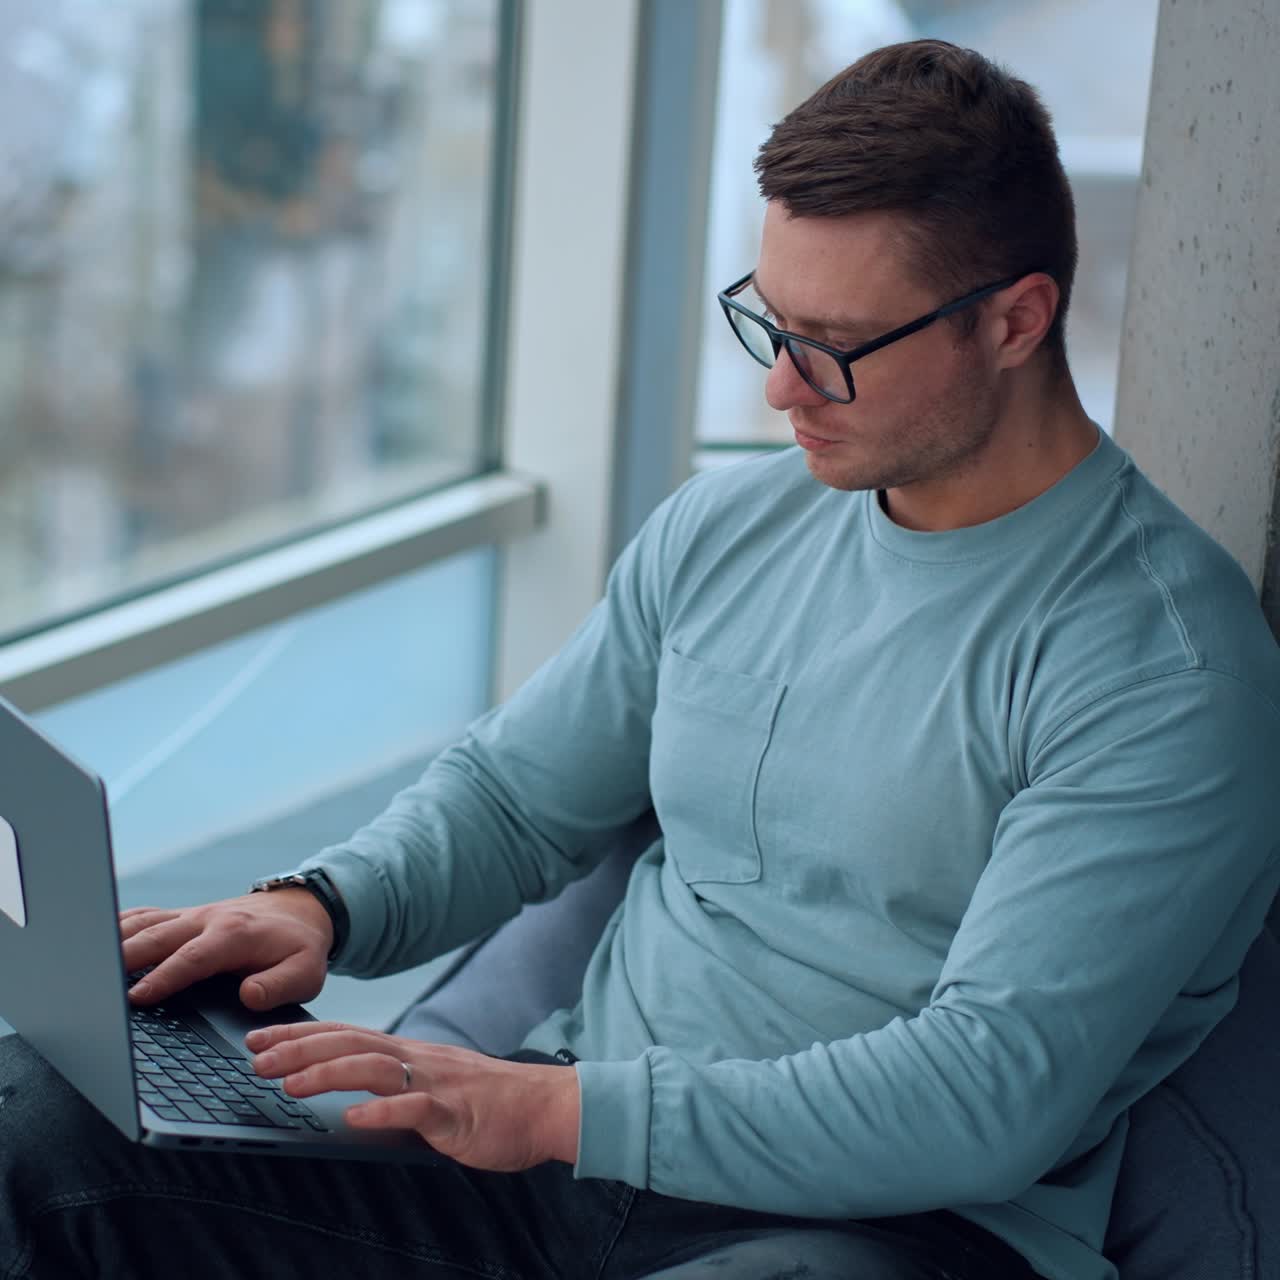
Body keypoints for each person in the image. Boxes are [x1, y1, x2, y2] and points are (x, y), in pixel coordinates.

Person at [3, 38, 1279, 1280]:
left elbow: (982, 1093)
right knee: (35, 1125)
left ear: (1013, 320)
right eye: (766, 322)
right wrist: (320, 904)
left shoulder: (1161, 667)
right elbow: (514, 797)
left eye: (833, 344)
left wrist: (557, 1112)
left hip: (892, 1226)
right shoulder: (733, 524)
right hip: (563, 1159)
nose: (782, 390)